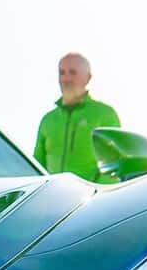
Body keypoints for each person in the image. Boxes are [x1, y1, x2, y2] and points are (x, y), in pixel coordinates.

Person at [33, 52, 121, 181]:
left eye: (72, 72)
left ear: (88, 78)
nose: (66, 78)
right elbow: (37, 164)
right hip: (53, 192)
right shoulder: (48, 120)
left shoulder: (105, 114)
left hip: (92, 192)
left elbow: (114, 162)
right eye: (62, 73)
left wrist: (96, 190)